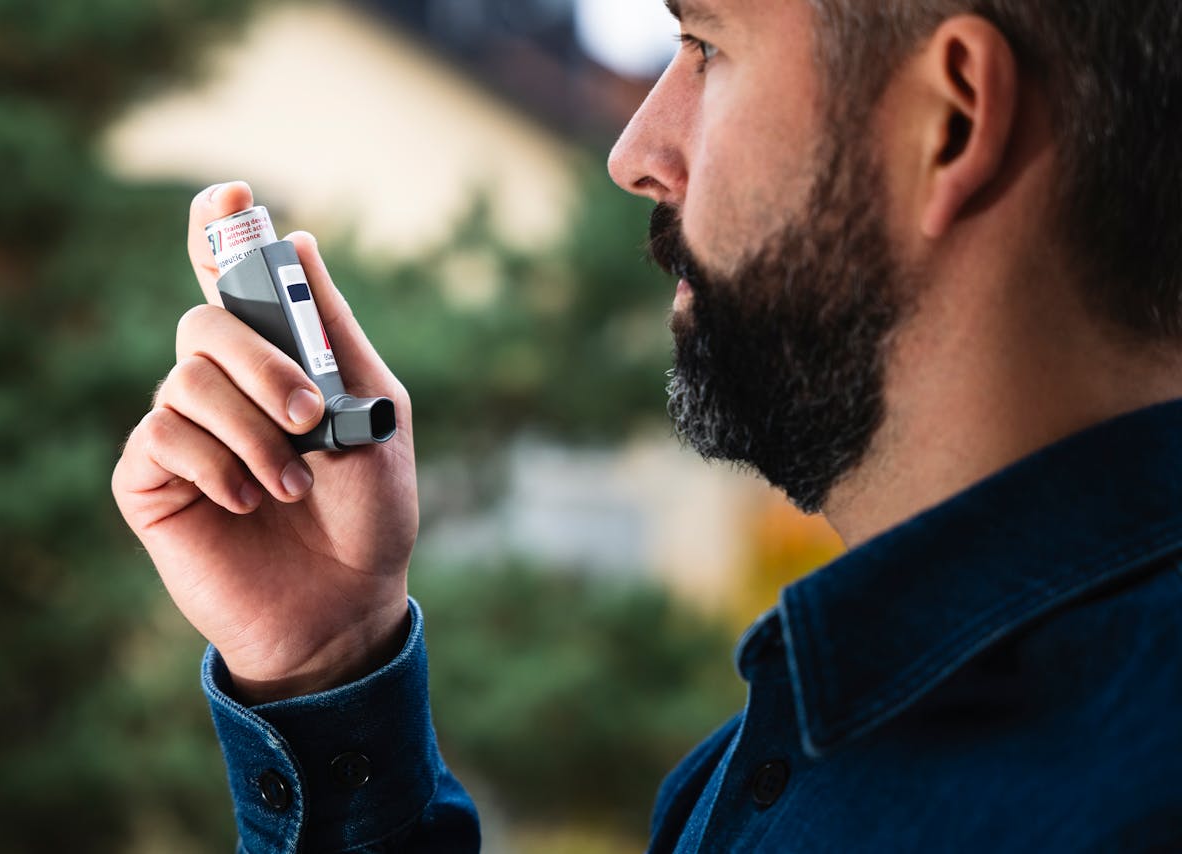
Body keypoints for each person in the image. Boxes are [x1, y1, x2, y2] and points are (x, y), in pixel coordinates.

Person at [112, 0, 1182, 850]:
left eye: (705, 46)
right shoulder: (774, 756)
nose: (634, 150)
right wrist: (328, 664)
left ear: (945, 122)